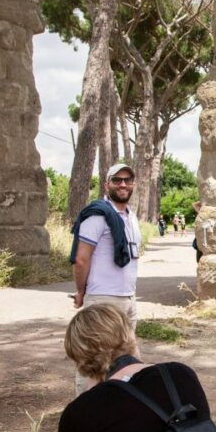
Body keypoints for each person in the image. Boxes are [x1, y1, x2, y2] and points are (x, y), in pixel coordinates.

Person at [47, 304, 209, 432]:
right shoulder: (180, 374)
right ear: (128, 335)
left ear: (79, 357)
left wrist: (91, 392)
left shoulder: (81, 412)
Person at [69, 163, 142, 395]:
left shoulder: (131, 217)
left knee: (128, 359)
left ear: (133, 184)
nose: (123, 184)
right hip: (103, 299)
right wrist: (81, 291)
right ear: (106, 184)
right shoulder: (97, 216)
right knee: (93, 359)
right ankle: (84, 407)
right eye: (117, 180)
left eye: (127, 180)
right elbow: (81, 259)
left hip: (128, 299)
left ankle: (123, 405)